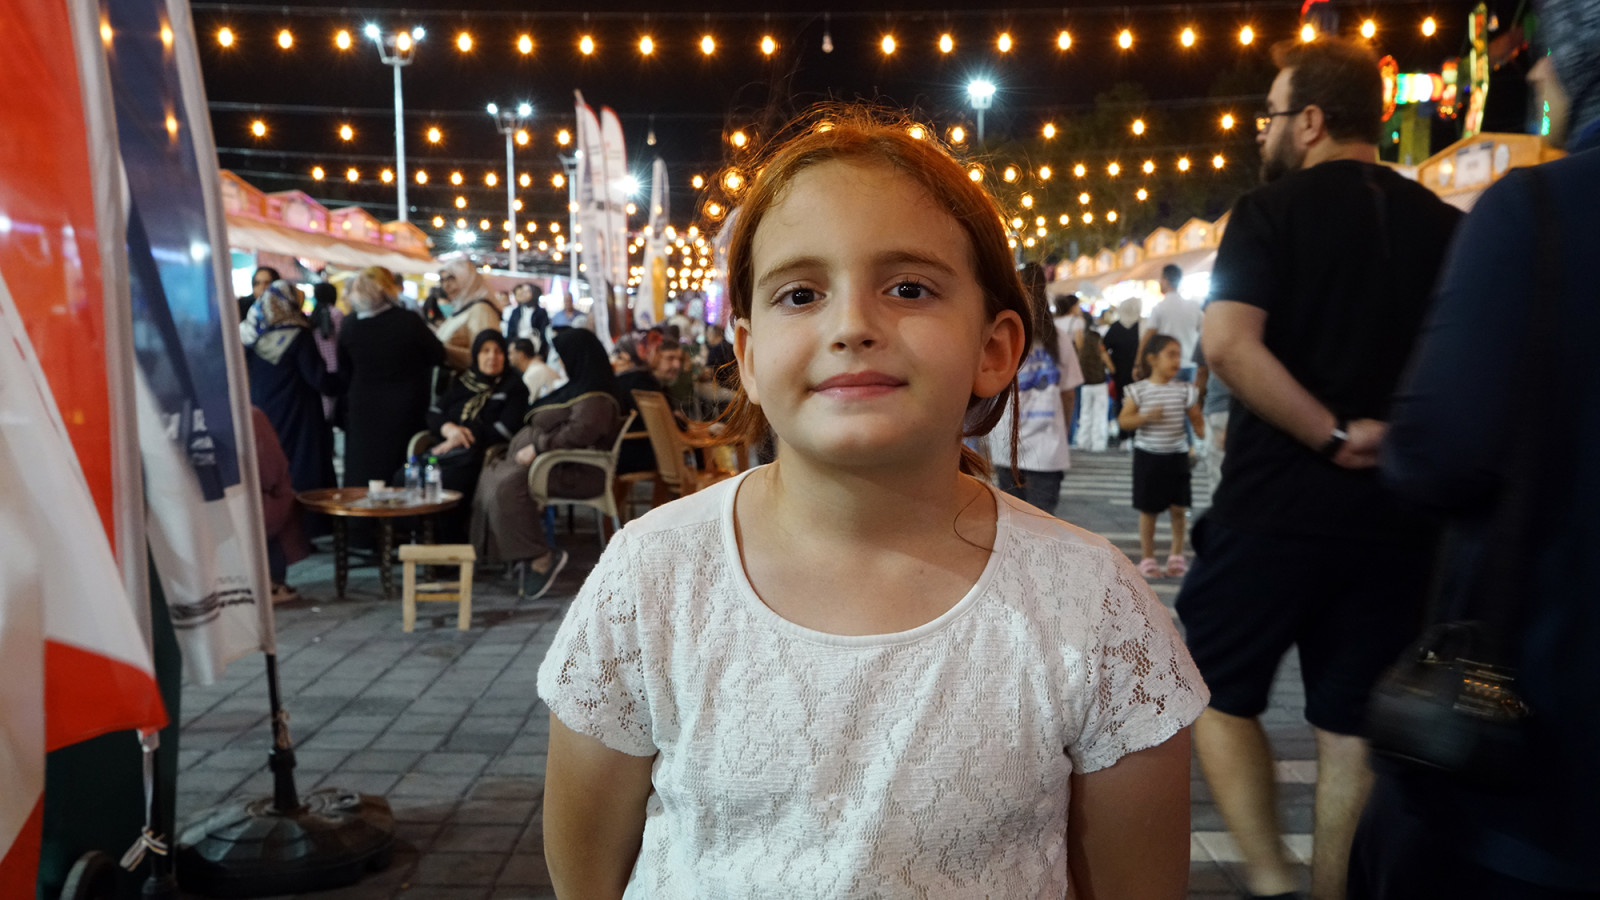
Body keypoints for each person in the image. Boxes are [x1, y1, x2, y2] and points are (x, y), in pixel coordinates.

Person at [538, 109, 1205, 899]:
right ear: (748, 355)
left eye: (909, 288)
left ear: (994, 348)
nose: (852, 325)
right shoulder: (654, 576)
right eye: (800, 294)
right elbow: (586, 870)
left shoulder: (1092, 605)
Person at [1173, 36, 1462, 900]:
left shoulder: (1269, 213)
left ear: (1308, 120)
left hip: (1273, 508)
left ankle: (1270, 879)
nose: (1262, 132)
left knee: (1213, 690)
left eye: (1269, 115)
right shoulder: (1445, 224)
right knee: (1350, 723)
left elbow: (1229, 345)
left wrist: (1332, 434)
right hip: (1396, 519)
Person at [1349, 6, 1600, 895]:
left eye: (1549, 58)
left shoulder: (1540, 212)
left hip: (1544, 757)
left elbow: (1435, 455)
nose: (1536, 75)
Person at [471, 328, 625, 599]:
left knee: (508, 484)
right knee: (492, 473)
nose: (561, 363)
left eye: (564, 356)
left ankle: (540, 557)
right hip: (556, 464)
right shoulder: (583, 388)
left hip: (575, 471)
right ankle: (501, 555)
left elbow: (581, 432)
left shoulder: (597, 398)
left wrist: (539, 446)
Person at [338, 267, 445, 491]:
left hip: (362, 409)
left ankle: (360, 511)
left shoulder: (350, 324)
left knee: (363, 470)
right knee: (398, 471)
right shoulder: (408, 321)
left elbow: (344, 370)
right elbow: (438, 355)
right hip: (403, 409)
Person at [421, 330, 529, 542]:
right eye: (485, 351)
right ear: (476, 355)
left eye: (498, 351)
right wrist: (449, 430)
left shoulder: (514, 386)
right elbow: (434, 412)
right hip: (447, 452)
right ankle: (418, 538)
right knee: (406, 476)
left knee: (448, 481)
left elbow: (506, 428)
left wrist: (464, 437)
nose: (492, 357)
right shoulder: (463, 382)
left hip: (481, 456)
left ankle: (449, 544)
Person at [989, 273, 1082, 516]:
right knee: (1043, 524)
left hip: (1006, 444)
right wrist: (1065, 429)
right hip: (1048, 446)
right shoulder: (1059, 338)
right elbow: (1068, 394)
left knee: (1012, 522)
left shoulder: (1002, 335)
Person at [242, 280, 339, 494]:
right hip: (299, 414)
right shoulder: (299, 334)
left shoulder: (252, 334)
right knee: (303, 469)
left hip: (266, 411)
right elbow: (317, 378)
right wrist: (343, 380)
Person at [1118, 335, 1202, 579]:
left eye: (1179, 355)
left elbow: (1197, 420)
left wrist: (1205, 434)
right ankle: (1148, 558)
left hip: (1177, 455)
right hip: (1149, 456)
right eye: (1170, 354)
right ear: (1152, 359)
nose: (1177, 360)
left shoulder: (1185, 390)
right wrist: (1145, 417)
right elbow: (1124, 420)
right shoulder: (1138, 390)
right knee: (1149, 510)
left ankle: (1176, 556)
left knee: (1179, 508)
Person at [252, 406, 309, 604]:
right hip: (250, 503)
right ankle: (272, 582)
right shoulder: (249, 415)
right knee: (285, 500)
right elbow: (272, 471)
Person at [1191, 315, 1233, 508]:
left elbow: (1202, 373)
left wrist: (1198, 407)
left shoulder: (1209, 331)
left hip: (1219, 408)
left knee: (1218, 475)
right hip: (1251, 413)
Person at [435, 259, 502, 371]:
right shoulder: (461, 310)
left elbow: (487, 359)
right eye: (442, 280)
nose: (446, 285)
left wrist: (440, 350)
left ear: (467, 279)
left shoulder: (481, 310)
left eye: (451, 278)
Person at [1140, 264, 1203, 382]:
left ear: (1165, 280)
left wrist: (1138, 362)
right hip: (1191, 364)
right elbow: (1202, 334)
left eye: (1161, 279)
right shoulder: (1194, 306)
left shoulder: (1159, 307)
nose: (1160, 283)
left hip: (1167, 365)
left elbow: (1148, 336)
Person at [1103, 295, 1142, 449]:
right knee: (1138, 402)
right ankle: (1134, 434)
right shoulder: (1142, 326)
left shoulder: (1116, 327)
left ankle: (1124, 435)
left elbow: (1103, 347)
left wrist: (1111, 366)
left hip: (1120, 372)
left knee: (1121, 403)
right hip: (1138, 373)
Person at [1075, 308, 1115, 452]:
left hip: (1086, 385)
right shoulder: (1100, 347)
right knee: (1100, 414)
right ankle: (1098, 444)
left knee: (1085, 414)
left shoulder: (1081, 349)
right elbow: (1111, 367)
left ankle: (1083, 442)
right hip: (1099, 384)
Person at [308, 281, 344, 425]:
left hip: (319, 365)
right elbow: (342, 339)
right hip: (335, 364)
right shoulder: (336, 313)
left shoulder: (313, 314)